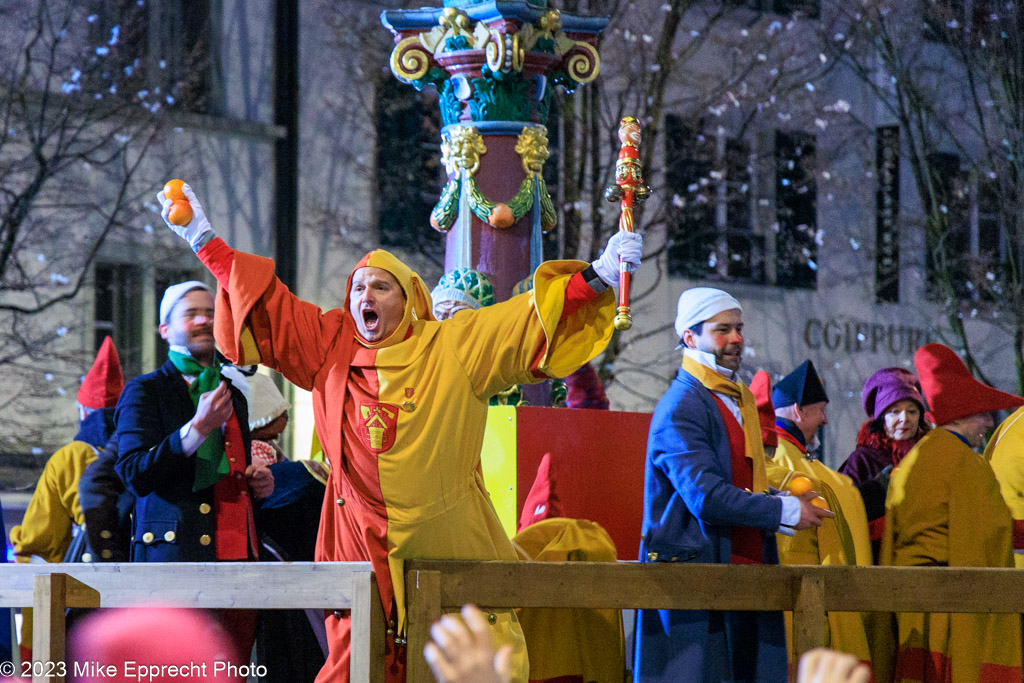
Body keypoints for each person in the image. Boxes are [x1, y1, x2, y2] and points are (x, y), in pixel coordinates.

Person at [156, 182, 641, 683]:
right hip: (358, 549)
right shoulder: (329, 343)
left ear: (409, 299)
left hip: (447, 545)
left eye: (380, 286)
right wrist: (203, 238)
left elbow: (521, 325)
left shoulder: (452, 345)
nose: (365, 294)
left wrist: (599, 276)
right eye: (358, 287)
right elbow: (269, 306)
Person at [634, 287, 831, 683]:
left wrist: (782, 501)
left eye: (738, 328)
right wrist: (785, 510)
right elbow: (705, 495)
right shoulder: (682, 405)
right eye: (722, 330)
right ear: (690, 337)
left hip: (743, 571)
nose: (736, 338)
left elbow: (738, 484)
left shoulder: (732, 398)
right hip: (698, 582)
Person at [113, 280, 275, 672]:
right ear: (165, 329)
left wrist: (259, 484)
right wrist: (196, 430)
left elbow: (230, 469)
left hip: (241, 561)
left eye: (211, 312)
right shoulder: (145, 392)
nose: (204, 320)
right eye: (191, 313)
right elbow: (134, 474)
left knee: (232, 672)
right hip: (178, 560)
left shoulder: (232, 391)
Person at [882, 343, 1023, 682]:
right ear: (961, 415)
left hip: (910, 604)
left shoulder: (915, 457)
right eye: (982, 414)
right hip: (954, 604)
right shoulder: (967, 465)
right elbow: (989, 535)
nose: (988, 424)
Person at [10, 336, 124, 662]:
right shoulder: (139, 455)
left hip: (79, 603)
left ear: (82, 410)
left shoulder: (69, 458)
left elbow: (40, 544)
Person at [768, 361, 874, 671]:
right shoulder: (784, 464)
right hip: (796, 609)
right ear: (798, 411)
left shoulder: (793, 461)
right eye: (820, 410)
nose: (825, 420)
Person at [839, 367, 928, 560]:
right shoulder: (861, 460)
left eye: (912, 411)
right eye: (895, 411)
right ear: (881, 418)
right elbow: (844, 514)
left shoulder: (930, 456)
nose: (905, 419)